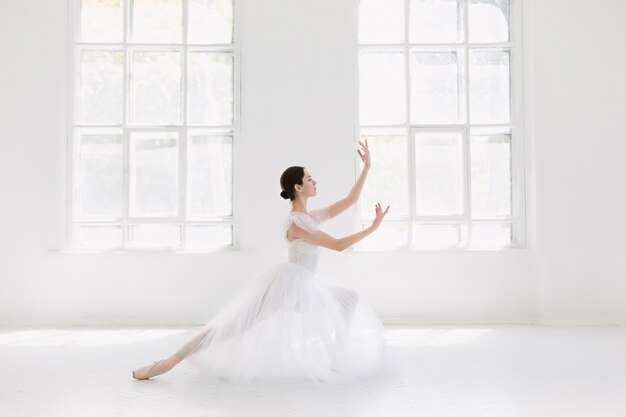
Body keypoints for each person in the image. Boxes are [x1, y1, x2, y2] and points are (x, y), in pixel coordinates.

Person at [132, 139, 392, 384]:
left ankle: (335, 358)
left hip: (302, 285)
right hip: (287, 286)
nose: (315, 181)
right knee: (230, 327)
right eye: (310, 178)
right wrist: (373, 228)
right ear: (298, 188)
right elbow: (338, 245)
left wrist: (367, 167)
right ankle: (168, 362)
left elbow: (350, 200)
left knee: (349, 298)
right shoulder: (297, 222)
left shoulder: (309, 217)